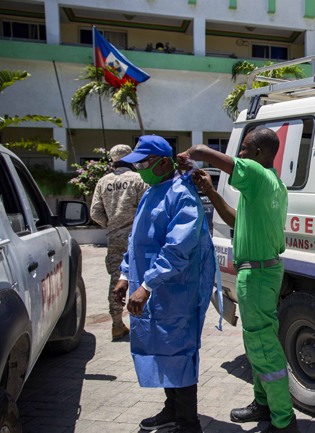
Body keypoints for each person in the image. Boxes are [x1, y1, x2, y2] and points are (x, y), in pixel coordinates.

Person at [177, 128, 297, 433]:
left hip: (256, 274)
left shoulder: (255, 173)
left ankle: (284, 421)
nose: (239, 154)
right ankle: (264, 403)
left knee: (264, 346)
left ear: (258, 154)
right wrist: (210, 191)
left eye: (243, 149)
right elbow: (236, 220)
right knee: (257, 342)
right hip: (262, 272)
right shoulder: (272, 185)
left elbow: (207, 154)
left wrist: (194, 155)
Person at [113, 135, 216, 433]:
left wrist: (147, 285)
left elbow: (177, 249)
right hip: (150, 291)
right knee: (160, 351)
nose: (140, 168)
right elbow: (137, 242)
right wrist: (124, 276)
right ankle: (171, 410)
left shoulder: (182, 195)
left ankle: (188, 422)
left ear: (161, 162)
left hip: (174, 292)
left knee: (178, 353)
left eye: (144, 162)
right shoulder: (151, 192)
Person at [90, 144, 148, 341]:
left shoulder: (102, 182)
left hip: (114, 237)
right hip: (138, 236)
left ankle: (116, 324)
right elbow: (148, 208)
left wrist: (112, 225)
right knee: (143, 279)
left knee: (117, 280)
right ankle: (142, 322)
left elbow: (95, 212)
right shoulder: (139, 180)